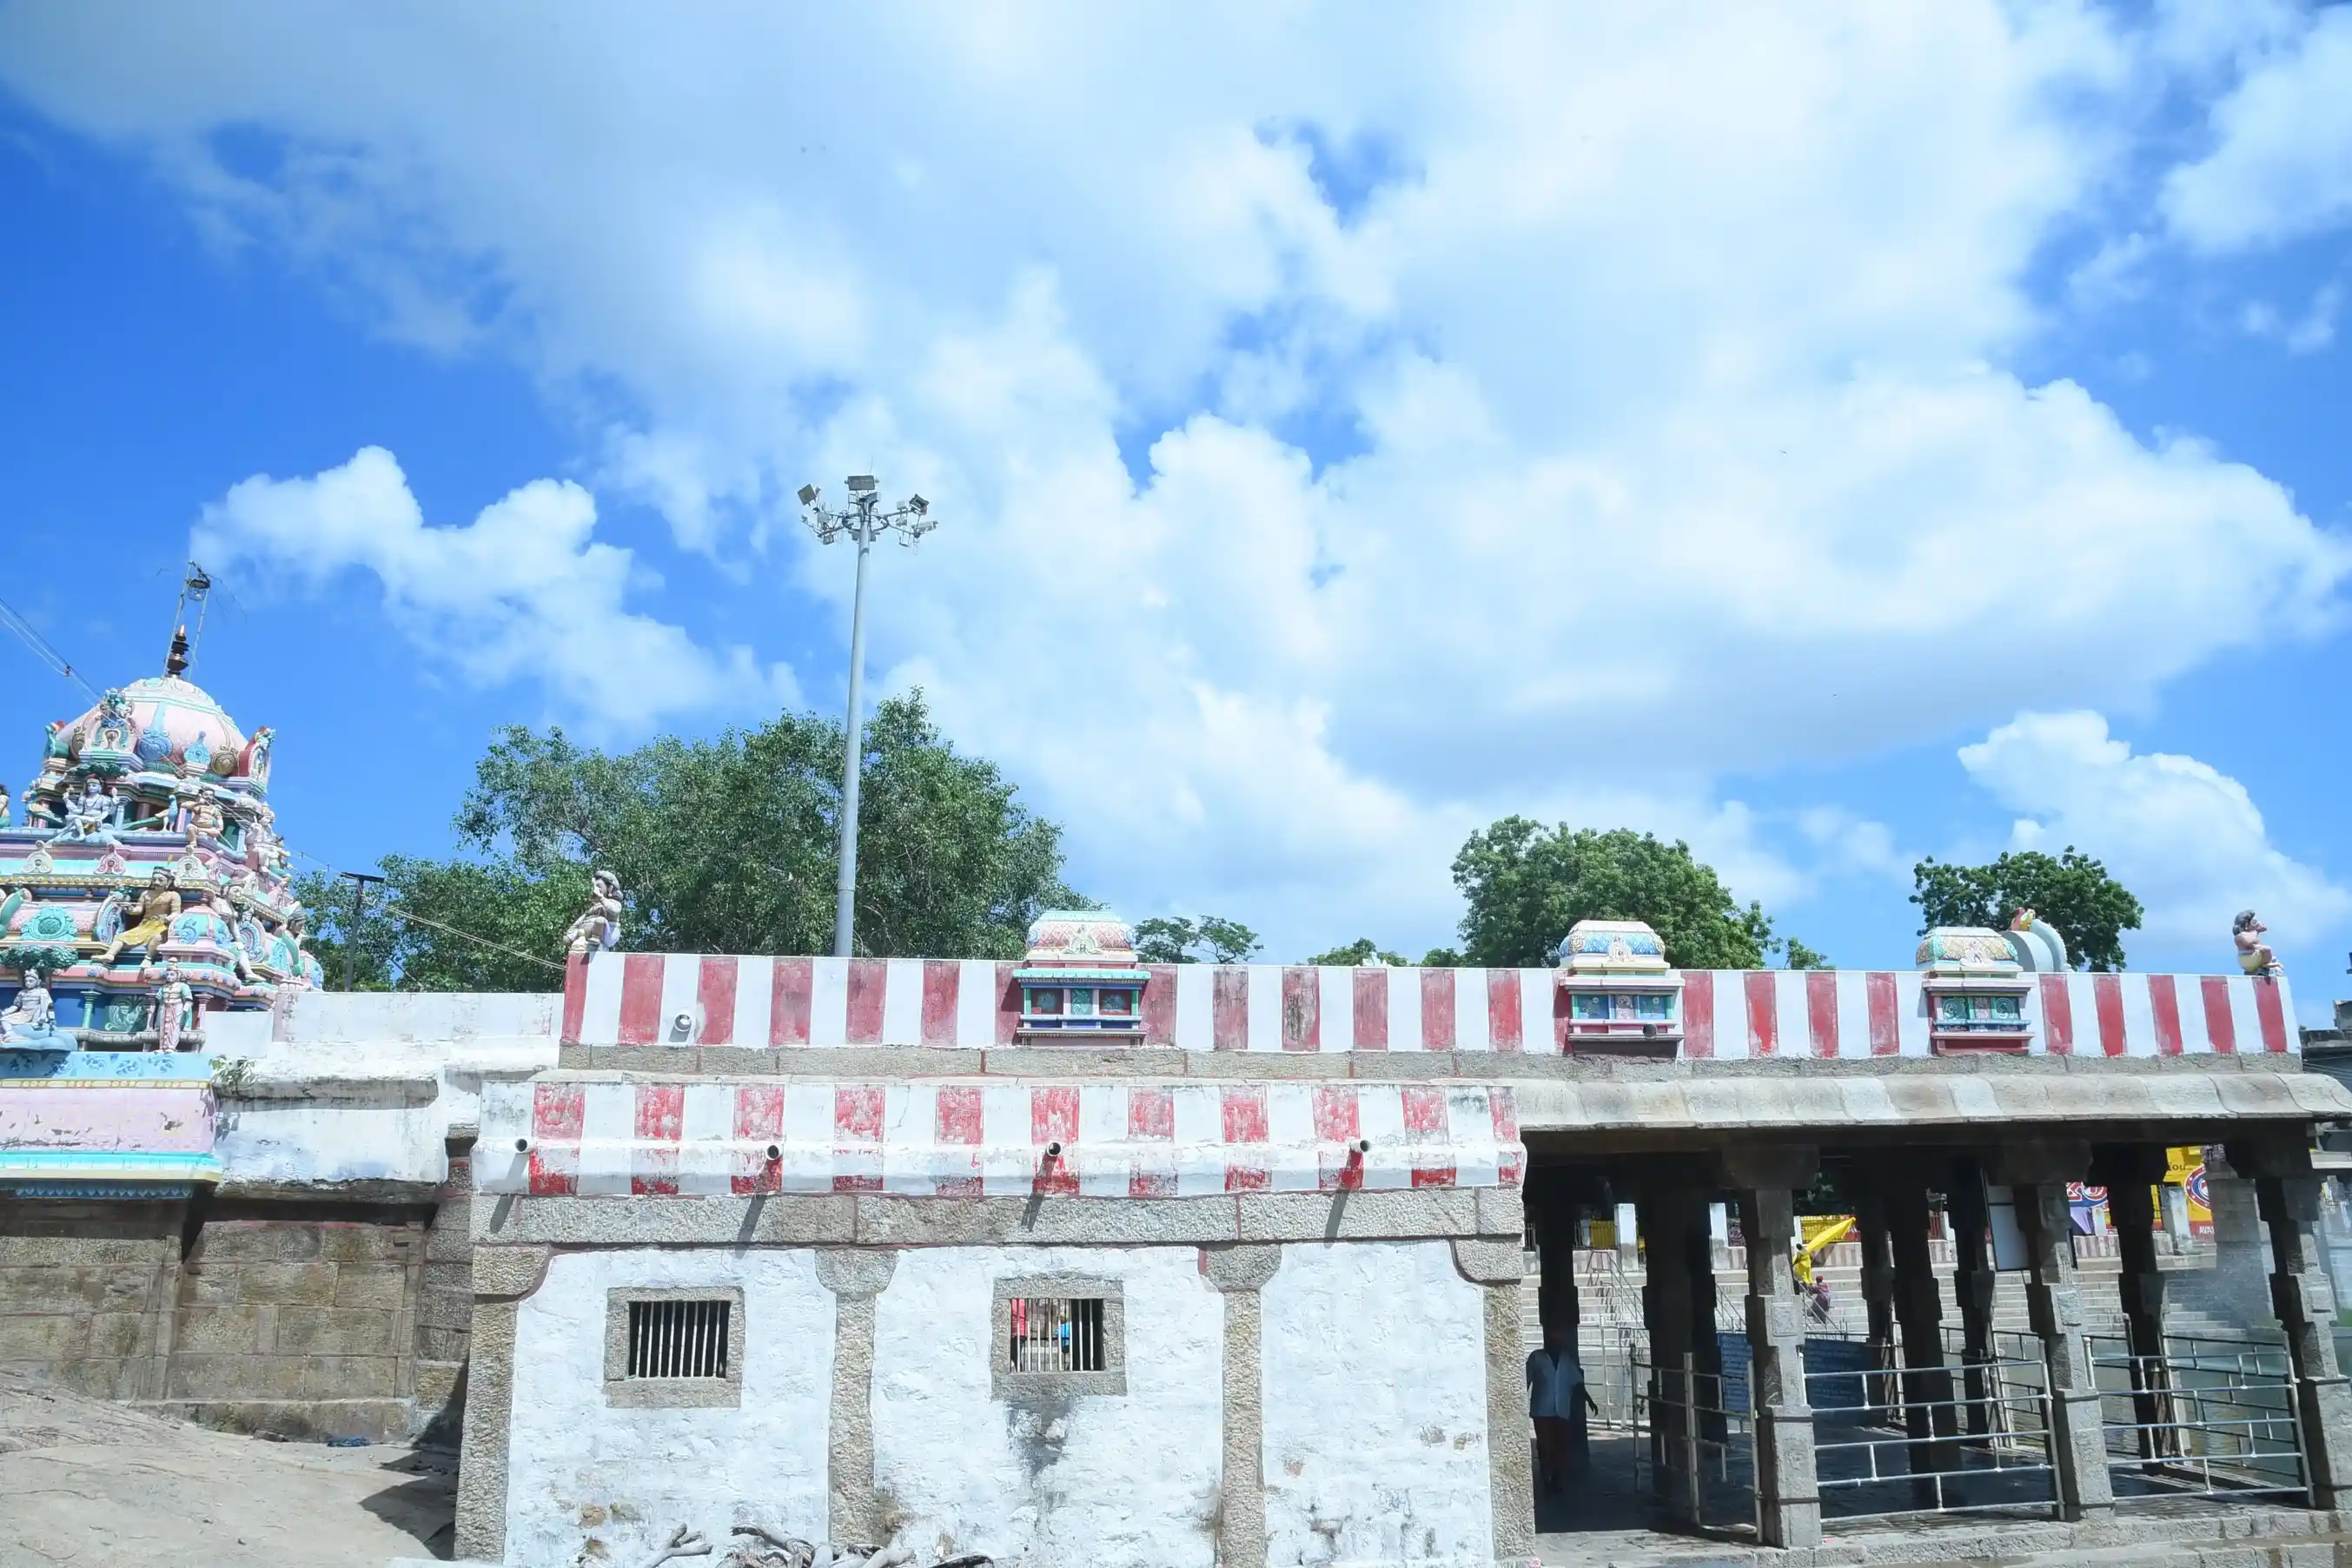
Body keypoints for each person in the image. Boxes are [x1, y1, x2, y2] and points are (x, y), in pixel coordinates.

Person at [1527, 1325, 1597, 1491]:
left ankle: (1557, 1477)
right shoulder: (1537, 1358)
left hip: (1562, 1410)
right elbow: (1526, 1380)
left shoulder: (1567, 1360)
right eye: (1554, 1340)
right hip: (1542, 1410)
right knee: (1545, 1445)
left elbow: (1577, 1383)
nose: (1557, 1343)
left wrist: (1590, 1400)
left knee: (1560, 1446)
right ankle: (1546, 1476)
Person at [2234, 910, 2282, 977]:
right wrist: (2255, 931)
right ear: (2246, 925)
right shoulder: (2241, 935)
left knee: (2269, 953)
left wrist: (2258, 927)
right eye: (2254, 922)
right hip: (2247, 958)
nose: (2257, 923)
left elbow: (2264, 928)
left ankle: (2265, 966)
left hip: (2253, 958)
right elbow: (2248, 941)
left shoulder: (2252, 933)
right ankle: (2266, 964)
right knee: (2267, 949)